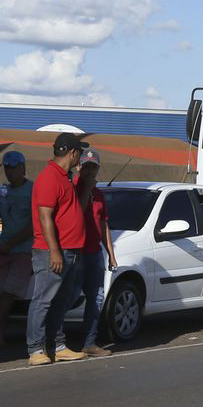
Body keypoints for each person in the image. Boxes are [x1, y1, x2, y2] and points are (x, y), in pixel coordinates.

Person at [25, 133, 89, 365]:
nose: (80, 156)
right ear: (72, 153)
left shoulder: (65, 178)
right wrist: (54, 251)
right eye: (79, 152)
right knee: (43, 299)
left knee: (61, 301)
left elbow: (69, 212)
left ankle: (57, 345)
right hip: (52, 251)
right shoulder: (49, 177)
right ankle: (35, 349)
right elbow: (45, 217)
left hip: (71, 250)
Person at [73, 149, 116, 357]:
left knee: (96, 298)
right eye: (86, 166)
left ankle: (89, 342)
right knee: (68, 297)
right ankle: (52, 340)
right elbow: (75, 215)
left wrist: (111, 253)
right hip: (76, 253)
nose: (90, 170)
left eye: (93, 166)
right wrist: (85, 190)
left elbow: (103, 224)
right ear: (79, 167)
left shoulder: (99, 195)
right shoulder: (73, 189)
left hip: (94, 253)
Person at [0, 151, 34, 347]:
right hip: (4, 249)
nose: (10, 172)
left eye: (14, 167)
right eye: (6, 168)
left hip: (23, 251)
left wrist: (10, 245)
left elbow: (33, 225)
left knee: (8, 294)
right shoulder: (3, 192)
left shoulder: (32, 190)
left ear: (23, 168)